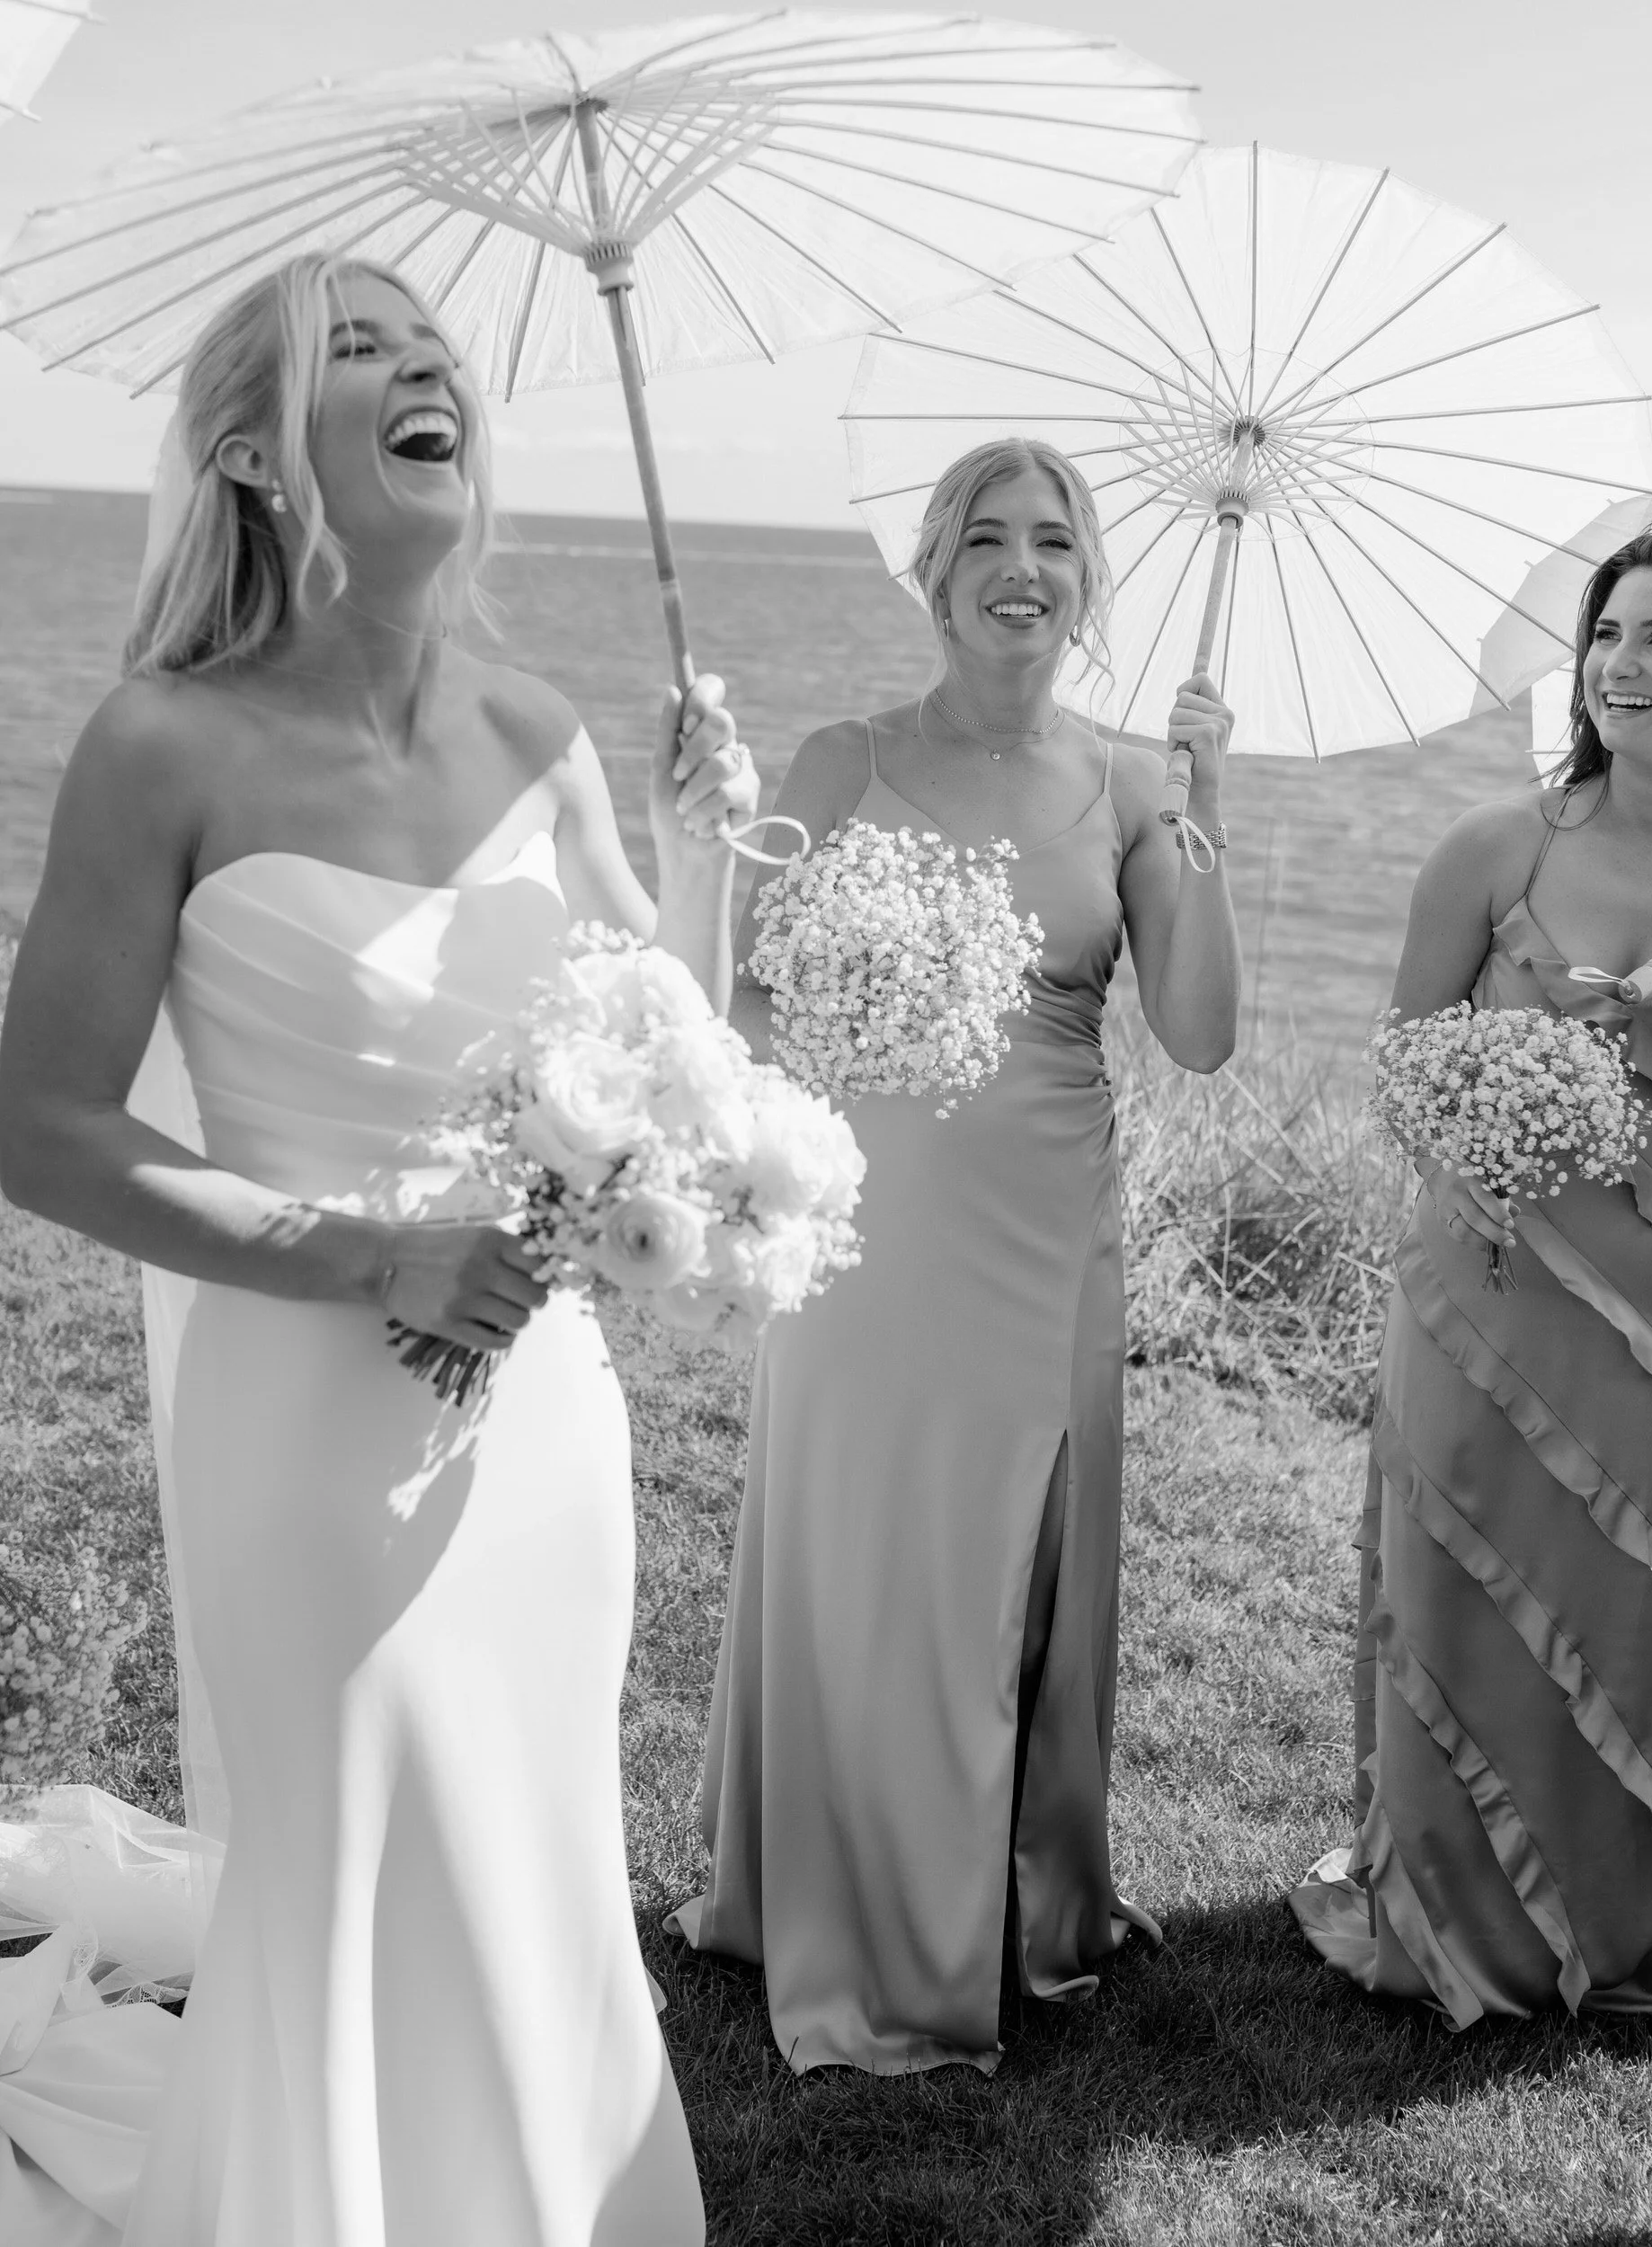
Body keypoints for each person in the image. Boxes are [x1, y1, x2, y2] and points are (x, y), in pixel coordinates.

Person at [0, 250, 759, 2243]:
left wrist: (698, 850)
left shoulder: (540, 727)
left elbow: (662, 1047)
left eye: (435, 346)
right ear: (256, 455)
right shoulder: (162, 743)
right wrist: (374, 1258)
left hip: (545, 1423)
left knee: (530, 1840)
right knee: (347, 1856)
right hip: (306, 1416)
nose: (429, 368)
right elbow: (41, 1123)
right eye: (362, 348)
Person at [669, 437, 1242, 2073]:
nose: (1020, 567)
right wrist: (704, 855)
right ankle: (850, 1904)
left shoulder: (1132, 786)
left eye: (1052, 541)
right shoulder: (841, 761)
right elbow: (737, 1005)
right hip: (864, 1235)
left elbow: (1200, 1033)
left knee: (1009, 1561)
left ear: (1087, 582)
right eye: (985, 537)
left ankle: (1006, 1902)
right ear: (933, 571)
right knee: (868, 1556)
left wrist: (1209, 813)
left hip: (1049, 1240)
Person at [1292, 525, 1652, 2022]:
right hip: (1485, 1289)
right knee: (1466, 1601)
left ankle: (1637, 1920)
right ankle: (1464, 1922)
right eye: (1610, 634)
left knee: (1642, 1613)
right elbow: (1401, 1058)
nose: (1623, 664)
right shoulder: (1495, 846)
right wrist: (1465, 1153)